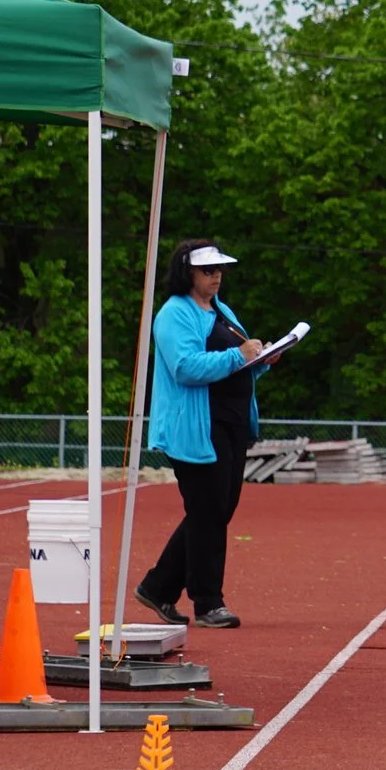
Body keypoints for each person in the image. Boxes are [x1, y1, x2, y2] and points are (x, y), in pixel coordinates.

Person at [140, 240, 278, 628]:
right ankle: (208, 602)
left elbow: (241, 359)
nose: (216, 276)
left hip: (231, 424)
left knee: (215, 510)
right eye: (207, 270)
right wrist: (240, 356)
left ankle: (158, 587)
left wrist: (262, 358)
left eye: (219, 270)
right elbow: (185, 366)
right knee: (209, 513)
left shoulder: (222, 311)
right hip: (195, 427)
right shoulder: (173, 314)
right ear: (188, 273)